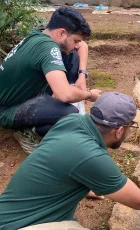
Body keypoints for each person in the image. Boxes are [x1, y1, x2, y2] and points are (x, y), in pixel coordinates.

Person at [0, 92, 140, 230]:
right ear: (119, 130)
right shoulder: (90, 156)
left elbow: (55, 161)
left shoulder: (71, 122)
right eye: (132, 126)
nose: (131, 131)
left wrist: (83, 183)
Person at [0, 6, 101, 154]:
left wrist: (81, 77)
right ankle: (26, 130)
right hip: (9, 109)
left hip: (26, 94)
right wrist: (90, 95)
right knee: (68, 115)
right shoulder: (47, 48)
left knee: (71, 54)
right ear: (61, 32)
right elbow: (65, 95)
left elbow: (83, 46)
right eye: (76, 40)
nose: (78, 44)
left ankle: (65, 112)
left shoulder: (44, 33)